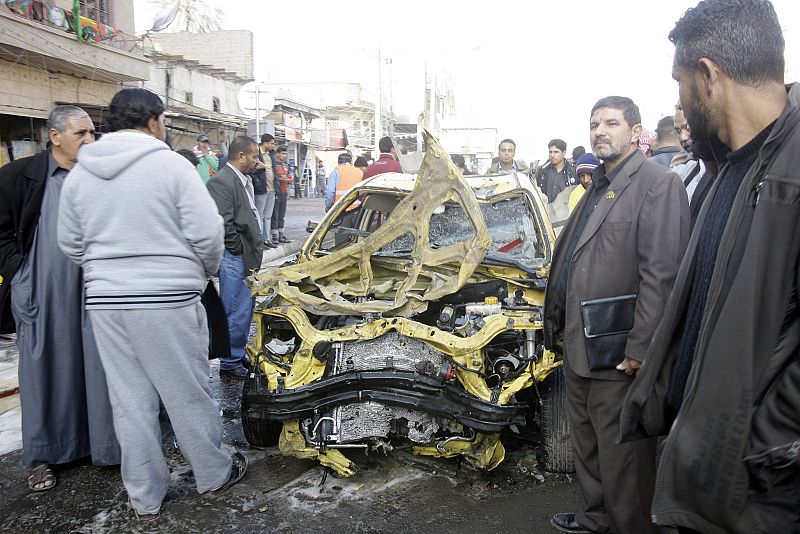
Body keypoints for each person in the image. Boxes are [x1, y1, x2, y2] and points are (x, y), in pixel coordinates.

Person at [620, 2, 800, 532]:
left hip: (756, 490)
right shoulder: (730, 168)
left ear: (707, 76)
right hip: (708, 474)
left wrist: (759, 440)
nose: (678, 101)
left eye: (679, 84)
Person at [57, 88, 247, 520]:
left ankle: (144, 496)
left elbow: (69, 242)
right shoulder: (169, 165)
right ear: (154, 121)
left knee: (129, 401)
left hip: (106, 301)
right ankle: (214, 473)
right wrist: (197, 274)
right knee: (187, 392)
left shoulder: (83, 172)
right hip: (167, 298)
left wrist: (107, 272)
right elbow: (207, 233)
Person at [544, 96, 689, 534]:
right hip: (579, 346)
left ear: (636, 131)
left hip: (619, 352)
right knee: (588, 448)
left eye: (611, 123)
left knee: (624, 458)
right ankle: (597, 519)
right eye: (594, 124)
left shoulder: (657, 184)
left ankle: (630, 526)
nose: (599, 132)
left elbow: (662, 274)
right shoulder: (594, 187)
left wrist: (642, 347)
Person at [0, 105, 120, 492]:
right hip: (42, 287)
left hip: (92, 284)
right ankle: (42, 456)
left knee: (97, 364)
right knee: (44, 367)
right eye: (80, 133)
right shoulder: (20, 176)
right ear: (55, 136)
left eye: (91, 133)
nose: (89, 140)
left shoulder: (99, 174)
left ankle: (100, 446)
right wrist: (20, 273)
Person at [207, 135, 264, 379]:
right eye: (253, 156)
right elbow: (224, 223)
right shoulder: (223, 181)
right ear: (241, 157)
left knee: (244, 309)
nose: (256, 160)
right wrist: (237, 249)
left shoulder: (241, 180)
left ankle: (236, 353)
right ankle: (229, 363)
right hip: (235, 257)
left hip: (244, 257)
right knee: (235, 310)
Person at [252, 134, 278, 249]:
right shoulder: (256, 153)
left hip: (272, 189)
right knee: (260, 215)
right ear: (265, 143)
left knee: (268, 216)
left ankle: (267, 240)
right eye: (271, 143)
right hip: (261, 189)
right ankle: (260, 241)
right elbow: (252, 170)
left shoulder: (271, 155)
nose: (273, 146)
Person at [270, 145, 293, 244]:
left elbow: (291, 178)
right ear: (278, 154)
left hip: (284, 192)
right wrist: (280, 178)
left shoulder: (286, 165)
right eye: (283, 154)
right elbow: (273, 177)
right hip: (275, 191)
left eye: (286, 154)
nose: (284, 156)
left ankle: (281, 234)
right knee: (275, 213)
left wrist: (286, 179)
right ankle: (274, 235)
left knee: (281, 214)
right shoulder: (273, 165)